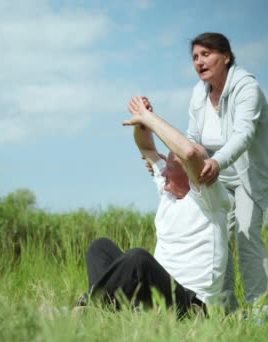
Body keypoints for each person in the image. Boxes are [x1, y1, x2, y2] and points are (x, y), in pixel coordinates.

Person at [76, 96, 230, 317]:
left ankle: (90, 309)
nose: (161, 172)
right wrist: (141, 123)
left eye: (169, 169)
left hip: (191, 305)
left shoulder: (209, 199)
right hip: (157, 296)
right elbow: (146, 146)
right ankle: (104, 311)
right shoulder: (168, 193)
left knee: (138, 259)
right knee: (100, 248)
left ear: (190, 174)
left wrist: (151, 118)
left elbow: (189, 153)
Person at [184, 32, 268, 312]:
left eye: (206, 54)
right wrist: (171, 161)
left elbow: (244, 134)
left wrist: (216, 162)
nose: (199, 62)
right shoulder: (198, 94)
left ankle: (260, 312)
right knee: (217, 239)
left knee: (246, 233)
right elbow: (192, 139)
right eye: (195, 57)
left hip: (253, 171)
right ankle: (227, 310)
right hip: (219, 174)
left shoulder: (247, 87)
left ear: (226, 56)